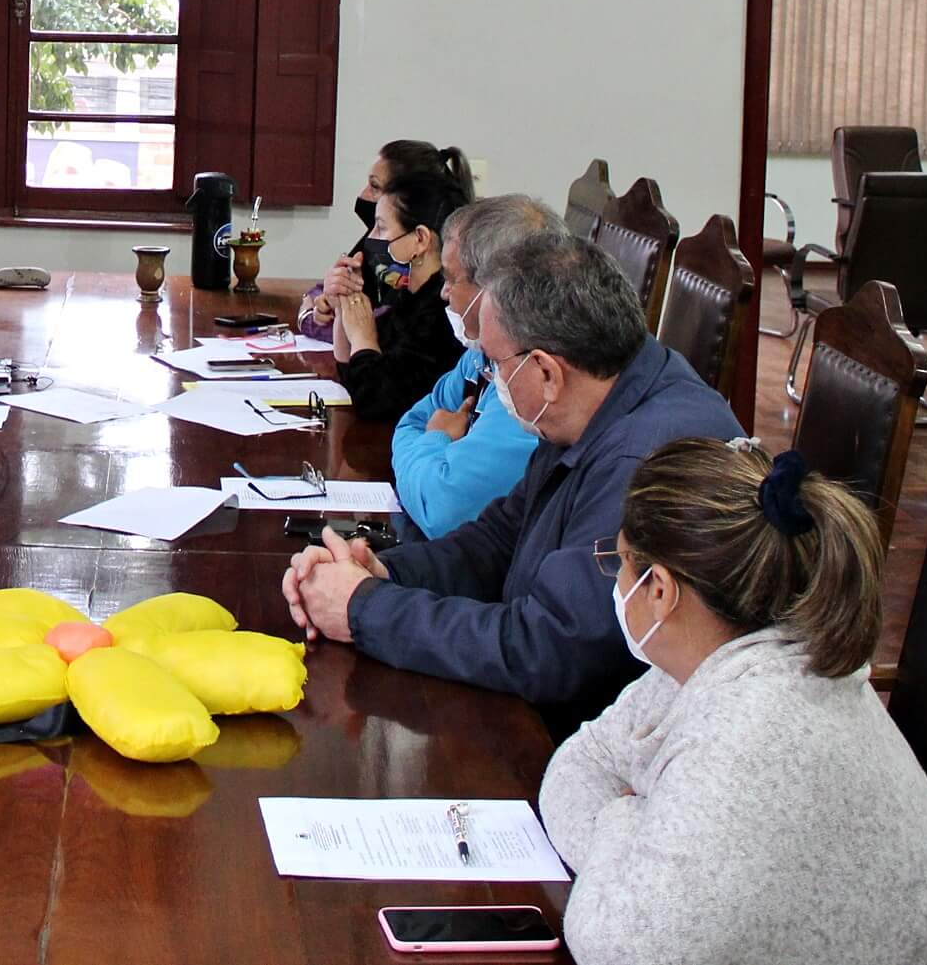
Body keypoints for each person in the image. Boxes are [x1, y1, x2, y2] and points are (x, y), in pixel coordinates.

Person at [541, 439, 927, 965]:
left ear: (659, 587)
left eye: (619, 563)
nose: (616, 580)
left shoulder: (755, 730)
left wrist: (624, 820)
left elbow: (617, 944)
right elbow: (579, 762)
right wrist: (637, 838)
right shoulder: (718, 656)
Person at [282, 232, 743, 734]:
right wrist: (382, 572)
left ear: (546, 371)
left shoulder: (643, 462)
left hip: (594, 741)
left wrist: (364, 608)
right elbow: (501, 537)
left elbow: (550, 650)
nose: (490, 381)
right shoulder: (595, 394)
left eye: (497, 363)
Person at [391, 195, 563, 539]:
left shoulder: (527, 378)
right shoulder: (480, 353)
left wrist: (434, 440)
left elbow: (440, 511)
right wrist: (434, 450)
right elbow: (410, 422)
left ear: (495, 289)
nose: (443, 293)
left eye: (451, 279)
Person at [330, 170, 471, 421]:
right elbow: (353, 372)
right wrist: (345, 307)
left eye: (381, 228)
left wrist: (363, 336)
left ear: (420, 239)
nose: (371, 238)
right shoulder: (410, 298)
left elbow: (375, 402)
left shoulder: (442, 316)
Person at [297, 140, 475, 338]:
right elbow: (325, 293)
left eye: (375, 186)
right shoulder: (382, 249)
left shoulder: (434, 295)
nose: (363, 195)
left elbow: (369, 334)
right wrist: (324, 305)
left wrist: (331, 314)